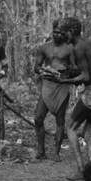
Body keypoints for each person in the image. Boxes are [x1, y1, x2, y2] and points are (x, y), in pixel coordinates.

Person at [62, 17, 91, 179]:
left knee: (71, 128)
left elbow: (86, 76)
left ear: (72, 31)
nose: (63, 35)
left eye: (65, 32)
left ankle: (81, 170)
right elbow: (90, 69)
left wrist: (65, 80)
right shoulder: (89, 44)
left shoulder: (78, 48)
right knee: (88, 133)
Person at [31, 20, 76, 161]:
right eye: (55, 32)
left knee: (60, 120)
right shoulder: (44, 48)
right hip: (47, 85)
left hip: (61, 86)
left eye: (60, 32)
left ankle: (56, 152)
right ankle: (41, 150)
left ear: (65, 34)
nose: (57, 35)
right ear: (52, 32)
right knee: (38, 117)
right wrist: (43, 71)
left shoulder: (69, 49)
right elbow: (36, 66)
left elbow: (75, 68)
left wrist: (65, 71)